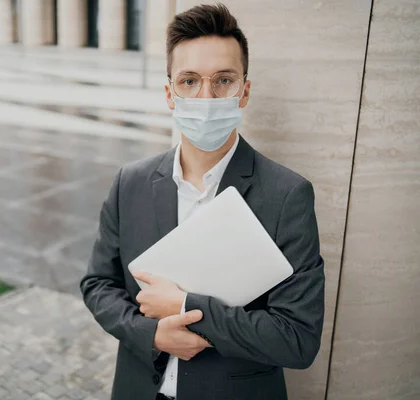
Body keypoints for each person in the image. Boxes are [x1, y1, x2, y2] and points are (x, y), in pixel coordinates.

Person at [80, 3, 325, 399]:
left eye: (224, 80)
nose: (206, 95)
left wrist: (189, 307)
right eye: (189, 81)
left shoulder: (287, 196)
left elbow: (297, 339)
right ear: (169, 93)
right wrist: (153, 334)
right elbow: (98, 285)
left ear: (244, 91)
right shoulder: (131, 182)